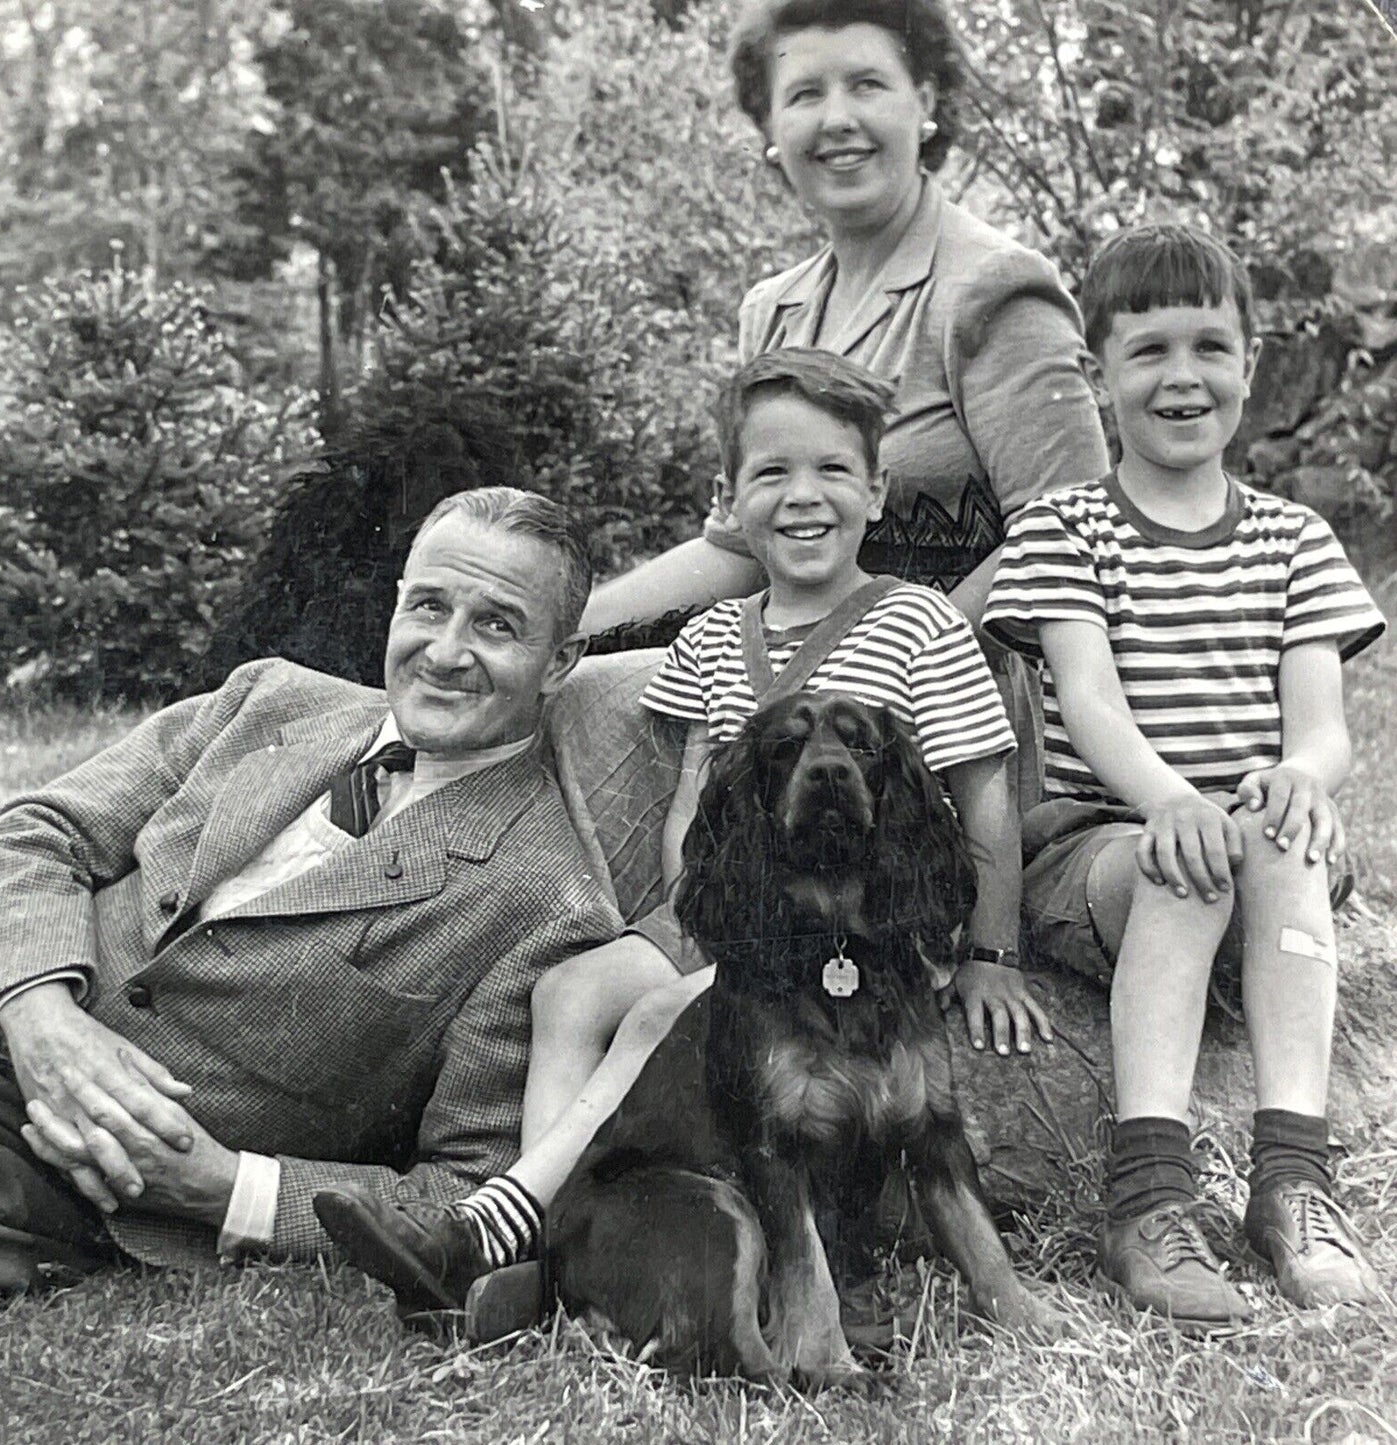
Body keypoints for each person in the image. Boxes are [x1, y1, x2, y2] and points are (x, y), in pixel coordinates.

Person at [316, 348, 1052, 1323]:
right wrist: (698, 926)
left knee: (666, 1018)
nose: (802, 497)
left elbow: (982, 796)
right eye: (770, 474)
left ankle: (500, 1224)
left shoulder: (918, 622)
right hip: (726, 916)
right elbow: (693, 796)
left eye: (832, 471)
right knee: (572, 988)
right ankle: (539, 1249)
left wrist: (991, 951)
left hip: (854, 933)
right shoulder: (711, 635)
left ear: (875, 490)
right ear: (725, 498)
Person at [0, 487, 623, 1288]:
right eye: (428, 607)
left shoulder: (546, 904)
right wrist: (39, 1015)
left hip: (73, 1174)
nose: (444, 651)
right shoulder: (266, 698)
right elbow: (39, 831)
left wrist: (222, 1188)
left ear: (559, 661)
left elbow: (464, 1193)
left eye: (495, 624)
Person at [983, 224, 1386, 1326]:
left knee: (1282, 833)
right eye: (1146, 349)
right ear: (1096, 374)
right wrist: (1169, 800)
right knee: (1182, 861)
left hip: (1248, 837)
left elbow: (1320, 729)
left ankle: (1291, 1179)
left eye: (1208, 346)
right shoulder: (1064, 529)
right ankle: (1148, 1191)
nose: (1180, 376)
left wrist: (1299, 779)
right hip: (1103, 842)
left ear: (1248, 363)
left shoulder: (1292, 540)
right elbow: (1087, 701)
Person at [581, 0, 1109, 805]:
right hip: (791, 694)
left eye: (867, 84)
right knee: (578, 695)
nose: (837, 120)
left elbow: (1064, 532)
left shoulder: (993, 289)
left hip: (950, 723)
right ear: (768, 127)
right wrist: (562, 623)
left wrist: (870, 665)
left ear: (926, 103)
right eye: (803, 95)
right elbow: (736, 549)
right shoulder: (774, 310)